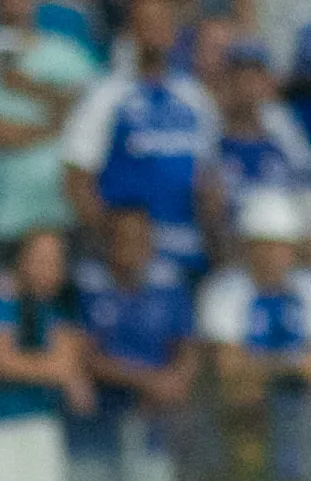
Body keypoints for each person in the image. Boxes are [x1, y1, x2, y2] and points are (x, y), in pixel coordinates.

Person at [62, 0, 222, 276]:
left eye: (161, 23)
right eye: (145, 24)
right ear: (131, 32)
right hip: (127, 266)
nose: (154, 33)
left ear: (174, 31)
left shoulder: (196, 99)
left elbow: (209, 179)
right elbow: (76, 179)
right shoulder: (106, 96)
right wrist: (112, 242)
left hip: (187, 257)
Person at [0, 0, 100, 252]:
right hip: (5, 214)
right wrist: (58, 124)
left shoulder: (67, 53)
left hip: (62, 210)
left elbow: (92, 113)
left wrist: (26, 86)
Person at [74, 204, 196, 481]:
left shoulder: (169, 284)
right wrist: (146, 380)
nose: (132, 246)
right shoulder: (86, 286)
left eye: (140, 238)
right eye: (123, 237)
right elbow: (83, 355)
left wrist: (176, 380)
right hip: (96, 429)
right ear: (108, 240)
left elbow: (187, 344)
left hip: (155, 428)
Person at [0, 227, 94, 481]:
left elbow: (68, 363)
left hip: (43, 427)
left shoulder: (61, 307)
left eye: (55, 261)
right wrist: (53, 370)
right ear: (20, 260)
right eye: (39, 259)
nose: (47, 268)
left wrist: (36, 366)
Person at [198, 188, 311, 481]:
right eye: (264, 246)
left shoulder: (307, 290)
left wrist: (261, 368)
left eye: (280, 246)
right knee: (243, 396)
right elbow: (229, 370)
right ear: (248, 248)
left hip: (301, 409)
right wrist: (293, 367)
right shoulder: (225, 292)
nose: (273, 256)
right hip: (246, 411)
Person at [214, 40, 311, 229]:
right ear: (226, 83)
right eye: (240, 78)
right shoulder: (211, 139)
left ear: (268, 83)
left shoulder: (287, 138)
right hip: (233, 248)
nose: (248, 87)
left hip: (283, 242)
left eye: (255, 78)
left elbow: (305, 192)